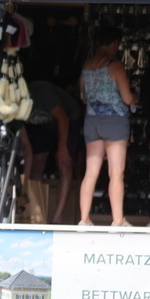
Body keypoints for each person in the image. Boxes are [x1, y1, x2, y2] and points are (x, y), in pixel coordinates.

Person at [77, 26, 137, 227]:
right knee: (116, 173)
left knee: (90, 172)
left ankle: (84, 219)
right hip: (114, 121)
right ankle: (118, 221)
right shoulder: (115, 65)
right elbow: (127, 98)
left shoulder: (86, 66)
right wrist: (136, 97)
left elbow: (84, 98)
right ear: (113, 44)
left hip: (92, 120)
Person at [17, 80, 82, 224]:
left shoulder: (42, 93)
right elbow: (27, 150)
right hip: (42, 124)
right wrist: (24, 187)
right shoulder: (13, 111)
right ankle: (34, 213)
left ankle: (57, 218)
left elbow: (63, 118)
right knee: (37, 163)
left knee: (64, 163)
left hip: (68, 119)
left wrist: (62, 148)